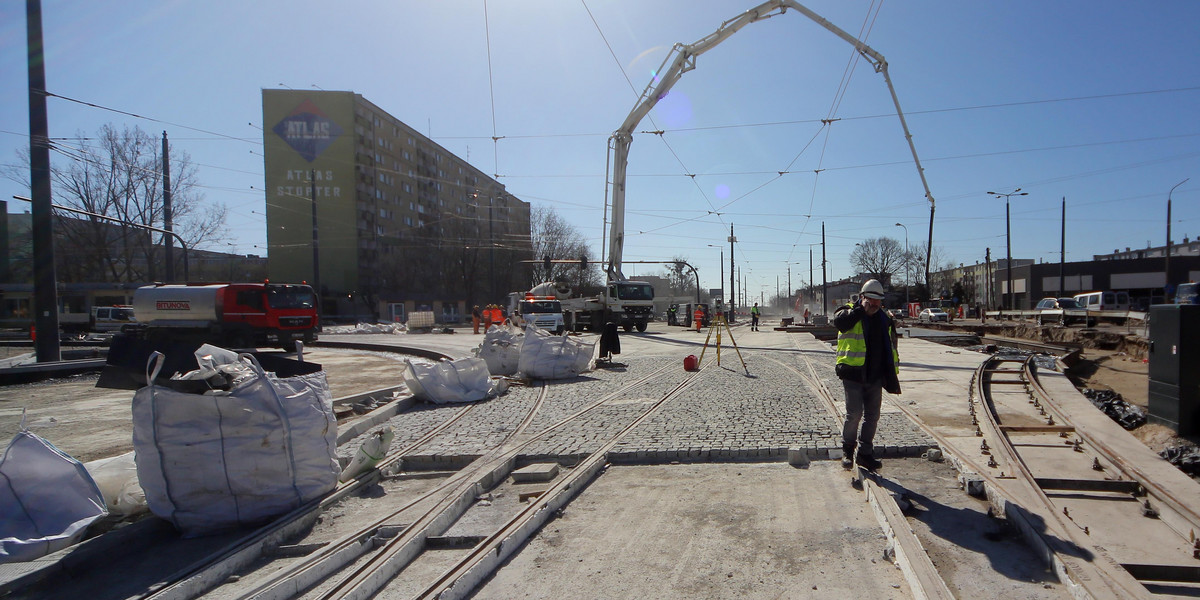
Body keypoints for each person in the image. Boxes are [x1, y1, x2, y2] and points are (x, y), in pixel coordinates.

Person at [833, 279, 901, 471]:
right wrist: (860, 310)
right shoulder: (847, 311)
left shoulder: (884, 318)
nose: (874, 305)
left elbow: (891, 345)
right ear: (862, 297)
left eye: (877, 301)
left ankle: (865, 454)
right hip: (853, 374)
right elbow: (840, 323)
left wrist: (891, 373)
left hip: (875, 376)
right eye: (870, 300)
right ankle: (847, 451)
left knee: (873, 416)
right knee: (854, 414)